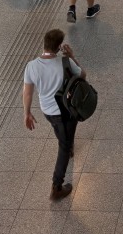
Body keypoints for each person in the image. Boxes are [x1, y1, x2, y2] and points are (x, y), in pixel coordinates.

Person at [23, 28, 86, 200]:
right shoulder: (65, 62)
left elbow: (27, 93)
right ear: (59, 47)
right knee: (64, 145)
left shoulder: (31, 66)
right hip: (66, 110)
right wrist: (71, 56)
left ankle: (68, 144)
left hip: (47, 111)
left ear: (44, 44)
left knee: (61, 132)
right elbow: (82, 76)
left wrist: (27, 113)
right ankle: (56, 186)